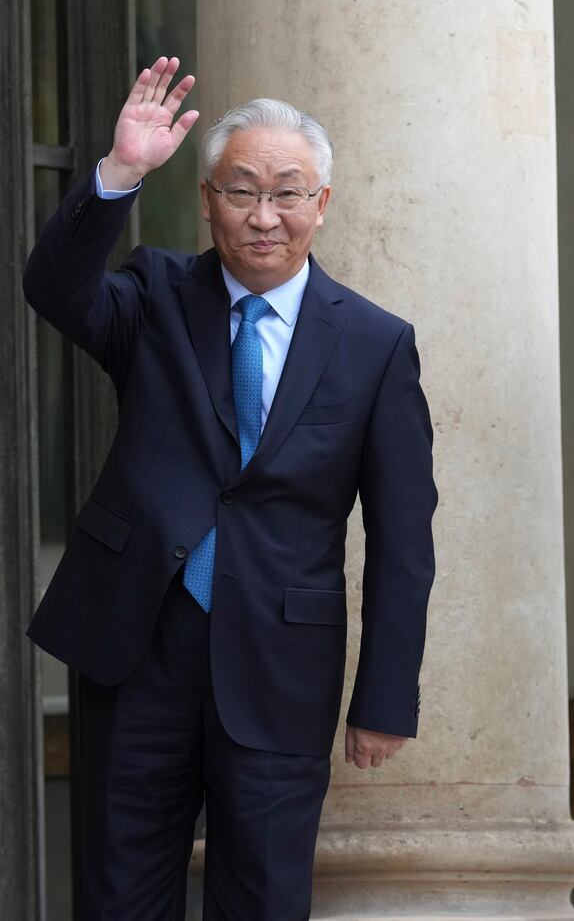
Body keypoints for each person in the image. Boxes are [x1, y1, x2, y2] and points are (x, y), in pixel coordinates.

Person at [23, 58, 438, 919]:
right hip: (138, 642)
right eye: (240, 190)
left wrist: (386, 693)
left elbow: (404, 537)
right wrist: (121, 174)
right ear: (206, 200)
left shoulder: (373, 344)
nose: (263, 215)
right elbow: (53, 288)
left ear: (321, 205)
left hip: (280, 663)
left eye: (287, 192)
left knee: (263, 900)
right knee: (119, 897)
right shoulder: (155, 294)